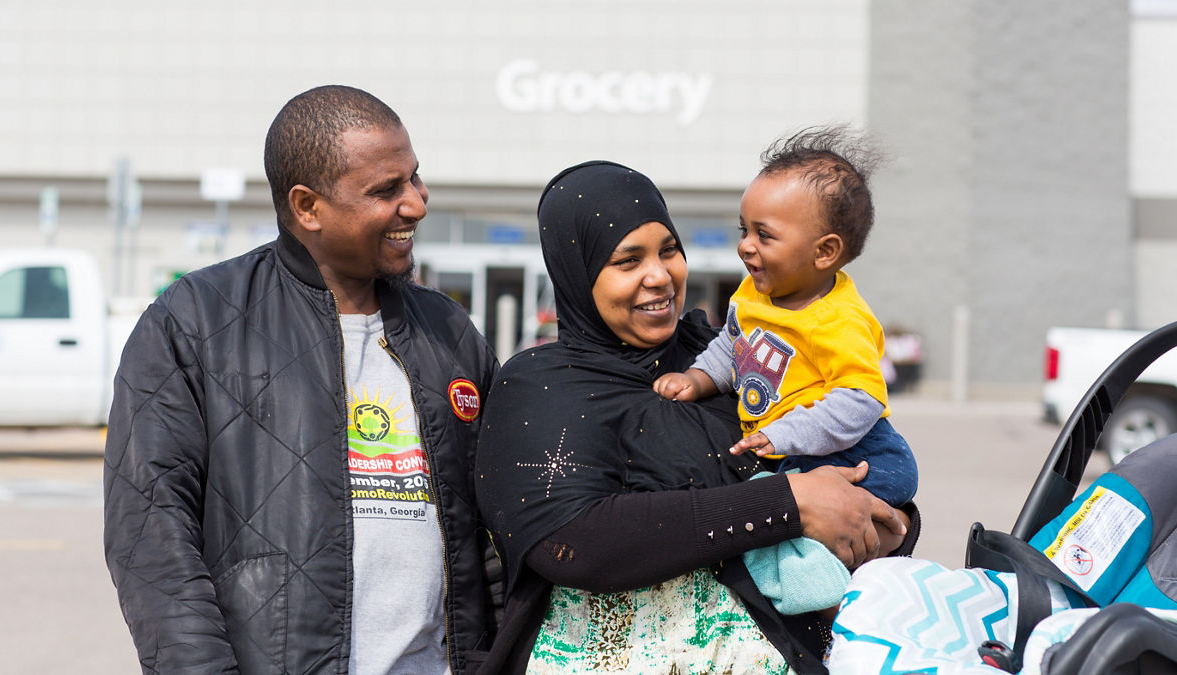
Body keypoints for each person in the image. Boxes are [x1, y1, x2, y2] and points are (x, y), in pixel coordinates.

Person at [103, 85, 500, 674]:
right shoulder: (193, 323)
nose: (416, 204)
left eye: (415, 178)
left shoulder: (449, 330)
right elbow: (152, 542)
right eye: (386, 190)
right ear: (307, 207)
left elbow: (494, 540)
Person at [474, 160, 919, 674]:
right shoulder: (541, 386)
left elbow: (856, 460)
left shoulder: (728, 354)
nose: (659, 276)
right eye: (627, 261)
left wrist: (891, 522)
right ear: (577, 272)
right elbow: (573, 540)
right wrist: (786, 504)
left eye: (669, 250)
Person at [653, 128, 918, 614]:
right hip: (791, 449)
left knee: (859, 505)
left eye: (764, 235)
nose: (746, 247)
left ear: (824, 252)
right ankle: (805, 580)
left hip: (856, 447)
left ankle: (820, 585)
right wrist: (696, 379)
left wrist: (787, 434)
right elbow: (733, 347)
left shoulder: (840, 319)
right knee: (768, 503)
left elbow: (860, 401)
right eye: (743, 230)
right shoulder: (755, 296)